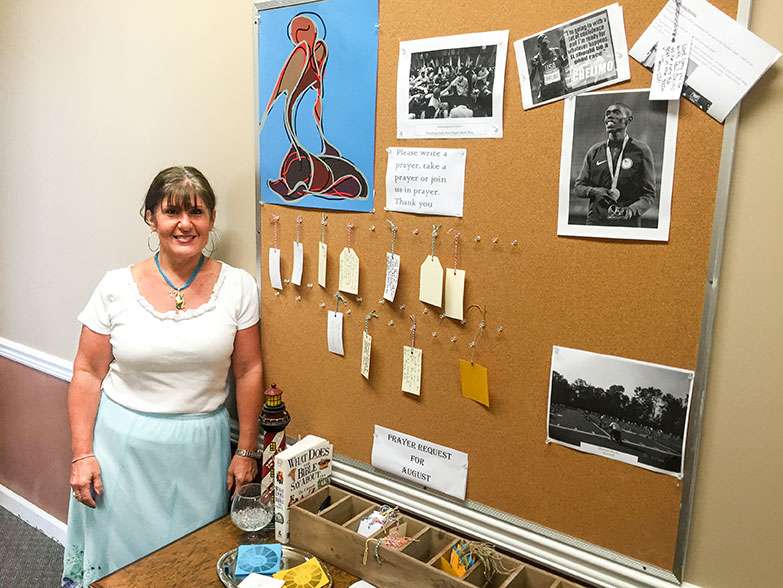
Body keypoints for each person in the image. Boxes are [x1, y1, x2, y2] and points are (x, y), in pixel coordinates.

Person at [61, 167, 263, 587]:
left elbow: (248, 370)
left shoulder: (239, 287)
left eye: (197, 212)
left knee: (191, 565)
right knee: (120, 568)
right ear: (152, 218)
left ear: (211, 219)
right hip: (122, 452)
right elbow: (86, 371)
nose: (185, 224)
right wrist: (82, 454)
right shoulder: (115, 287)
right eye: (172, 212)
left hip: (199, 452)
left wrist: (246, 450)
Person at [573, 103, 656, 226]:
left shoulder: (641, 151)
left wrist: (631, 210)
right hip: (596, 222)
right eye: (607, 114)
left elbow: (649, 195)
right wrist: (594, 191)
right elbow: (578, 187)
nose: (610, 116)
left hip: (628, 223)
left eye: (616, 112)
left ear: (629, 120)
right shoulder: (594, 151)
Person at [530, 33, 568, 103]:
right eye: (543, 44)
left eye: (546, 43)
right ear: (539, 45)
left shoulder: (556, 51)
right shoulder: (536, 59)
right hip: (546, 93)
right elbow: (532, 77)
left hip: (559, 89)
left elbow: (564, 64)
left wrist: (566, 50)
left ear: (548, 43)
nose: (545, 47)